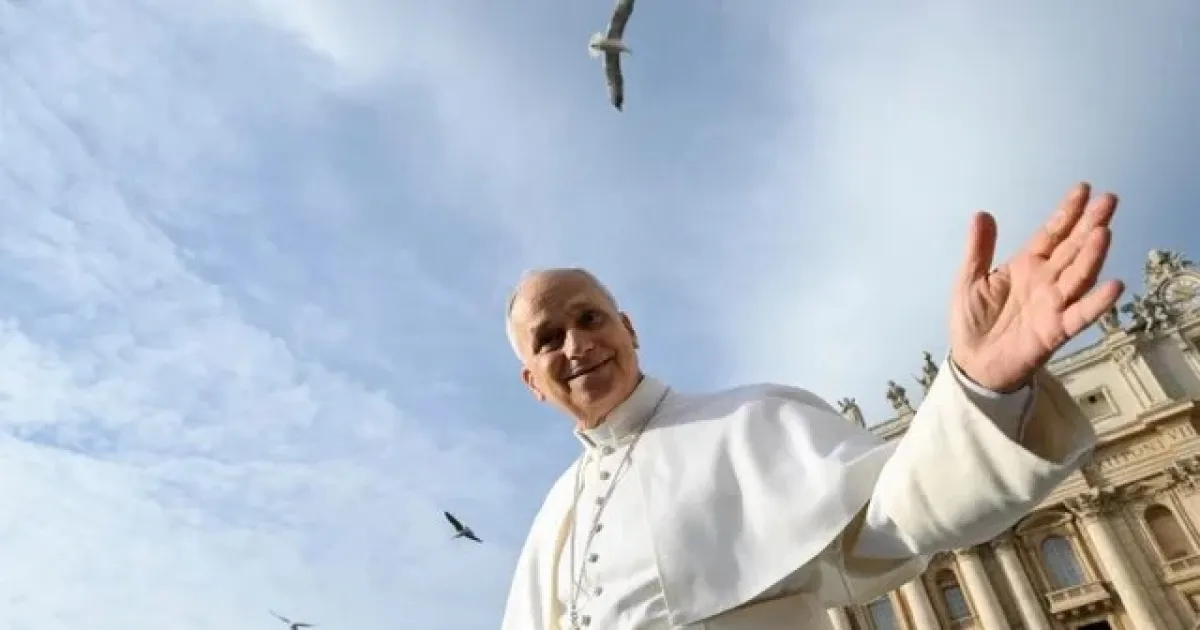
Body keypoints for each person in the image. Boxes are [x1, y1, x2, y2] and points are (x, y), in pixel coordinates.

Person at [499, 183, 1124, 630]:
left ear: (628, 328)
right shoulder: (551, 524)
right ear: (532, 382)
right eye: (548, 338)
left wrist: (981, 386)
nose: (576, 345)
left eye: (589, 318)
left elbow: (896, 516)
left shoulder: (751, 422)